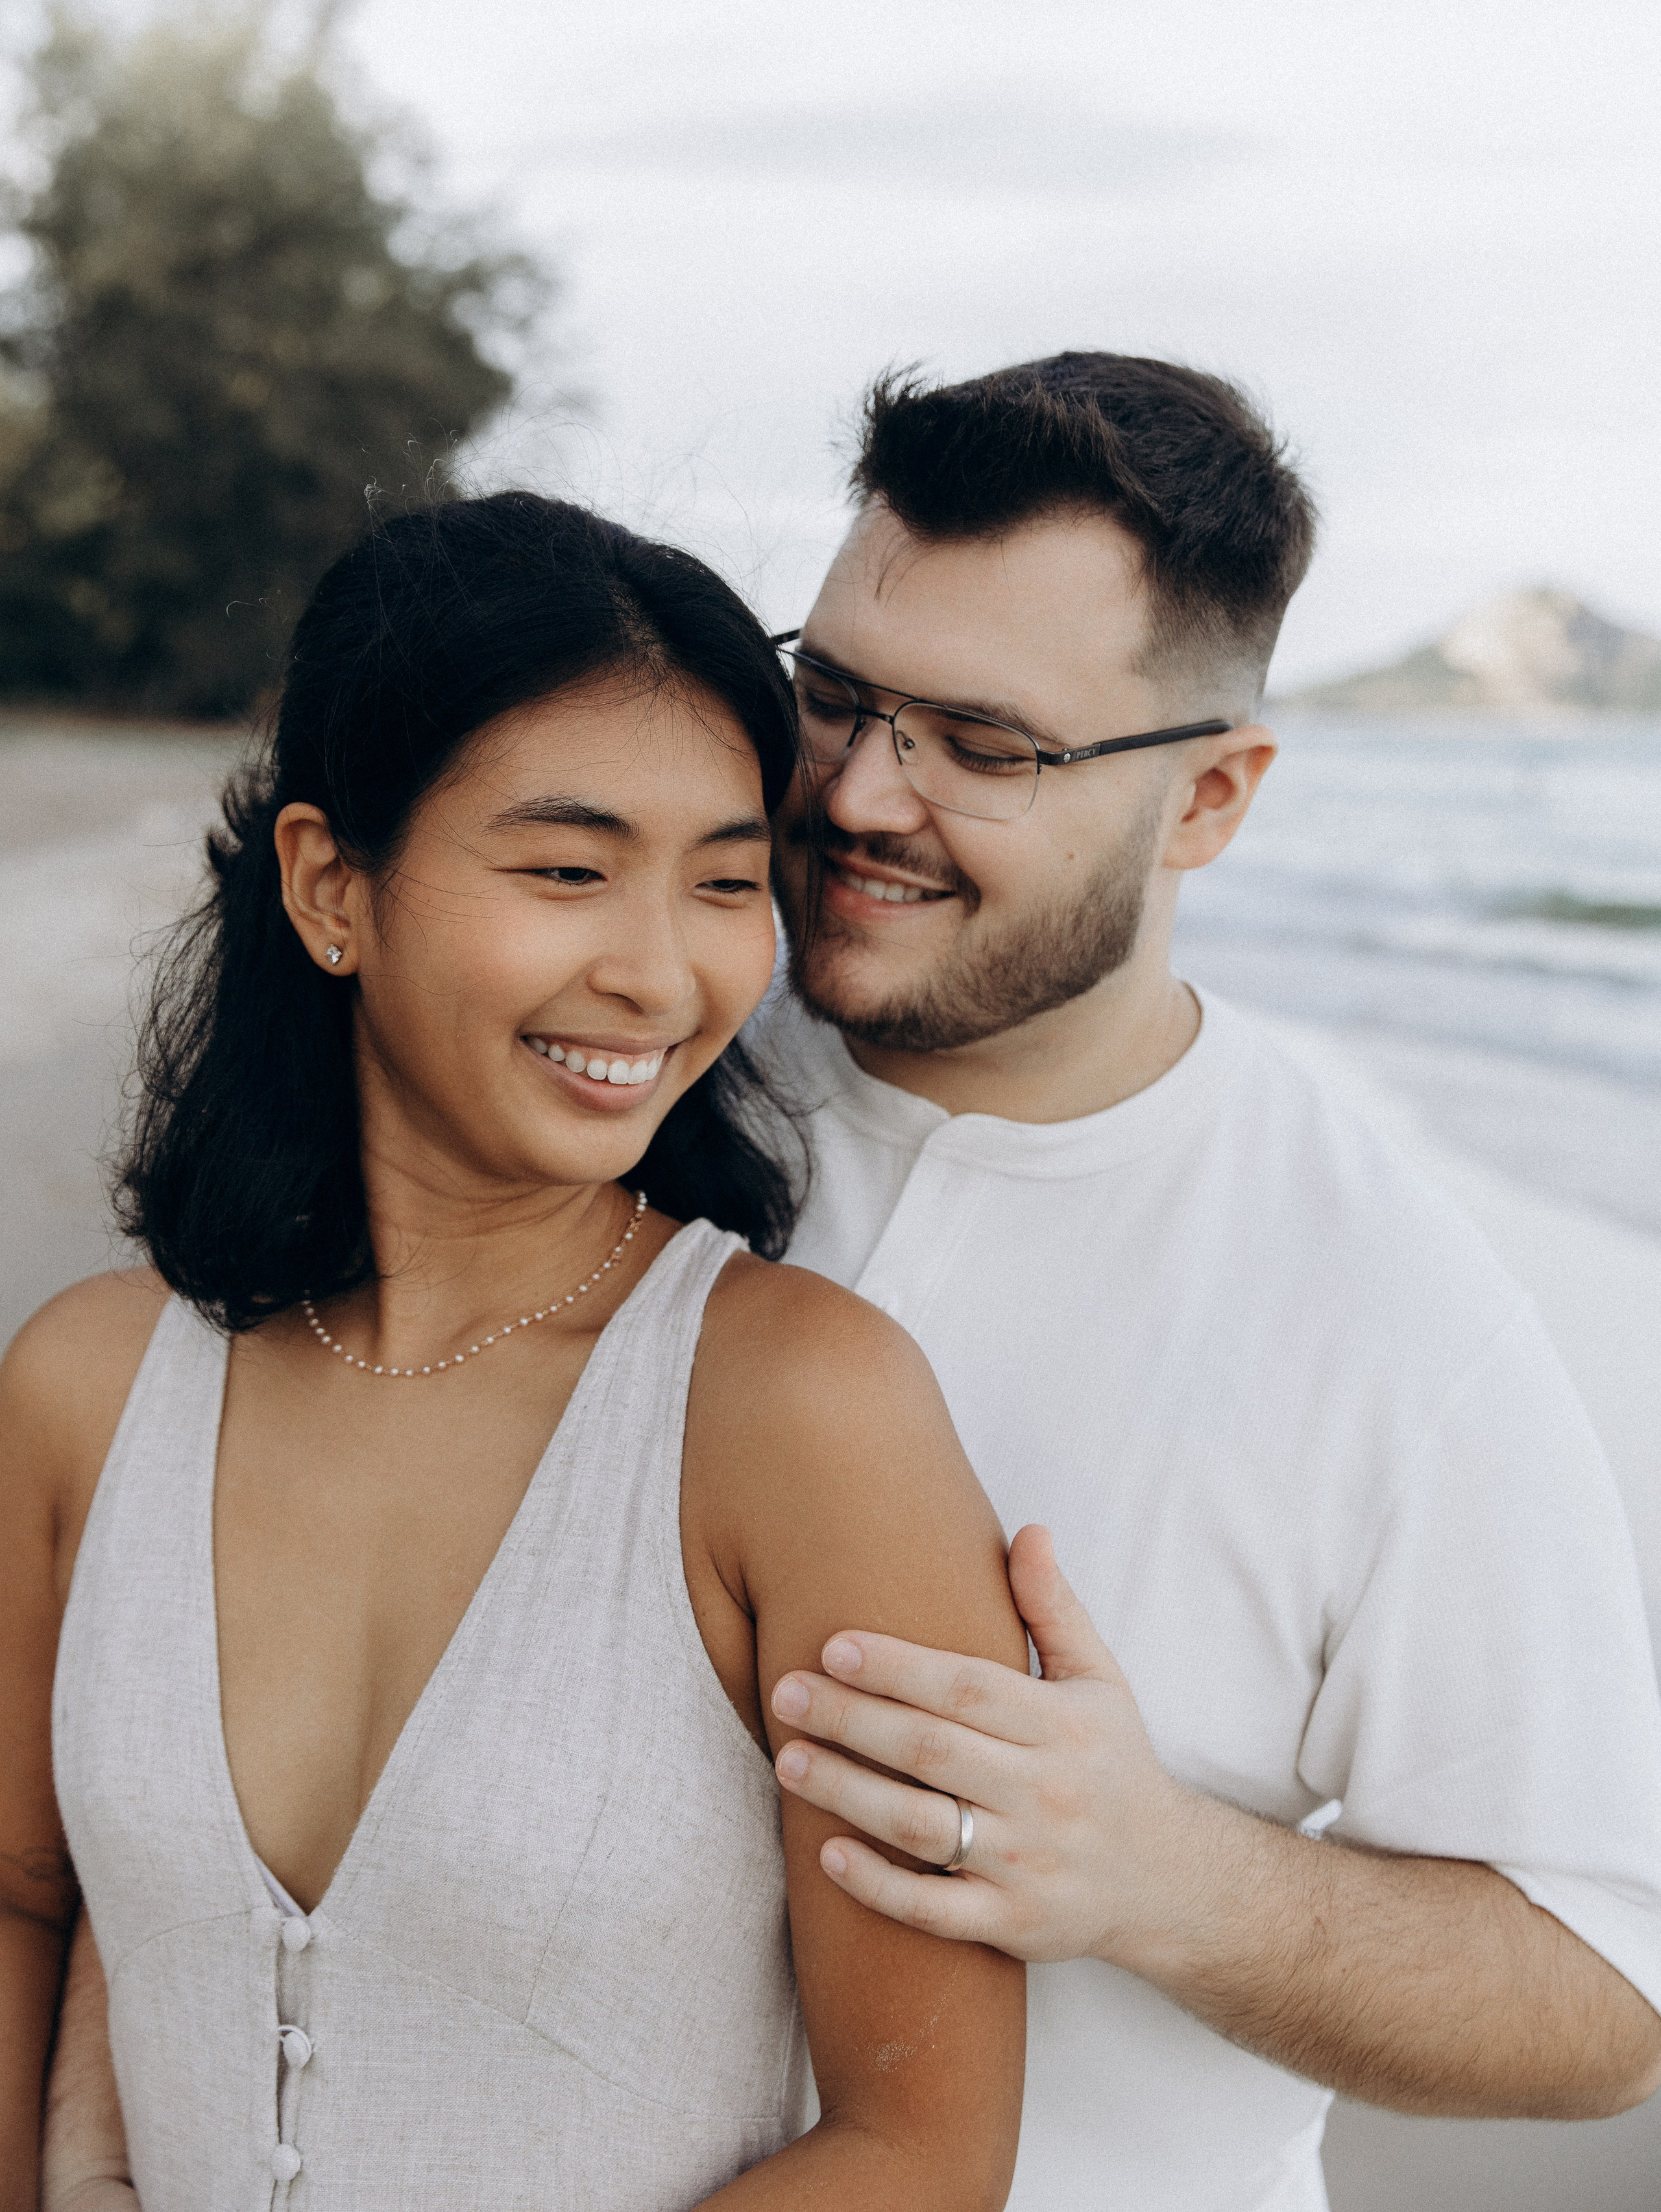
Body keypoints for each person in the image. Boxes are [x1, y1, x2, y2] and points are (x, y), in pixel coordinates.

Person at [0, 493, 1028, 2212]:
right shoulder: (89, 1388)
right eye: (566, 868)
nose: (656, 969)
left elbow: (920, 2149)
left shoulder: (799, 1410)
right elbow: (21, 1892)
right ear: (335, 886)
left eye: (724, 880)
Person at [750, 355, 1661, 2209]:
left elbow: (1601, 1993)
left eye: (983, 747)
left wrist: (1167, 1872)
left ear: (1214, 801)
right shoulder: (627, 1079)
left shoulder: (1396, 1312)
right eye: (833, 697)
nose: (856, 792)